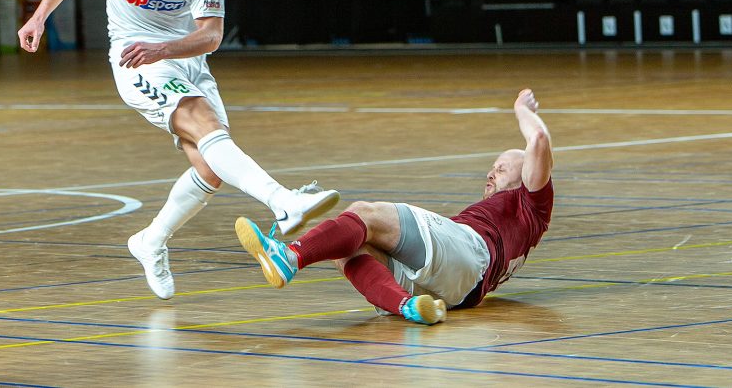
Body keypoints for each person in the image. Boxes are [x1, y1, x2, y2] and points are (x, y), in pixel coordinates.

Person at [18, 0, 339, 300]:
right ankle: (283, 201)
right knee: (201, 122)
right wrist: (40, 16)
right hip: (134, 57)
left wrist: (166, 49)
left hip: (183, 57)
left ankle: (149, 241)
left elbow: (210, 35)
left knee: (210, 167)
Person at [235, 88, 553, 325]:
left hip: (470, 252)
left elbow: (537, 138)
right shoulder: (517, 223)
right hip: (460, 294)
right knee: (345, 248)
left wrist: (521, 108)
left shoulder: (531, 203)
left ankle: (289, 256)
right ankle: (408, 307)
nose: (490, 172)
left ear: (525, 175)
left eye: (501, 168)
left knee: (363, 213)